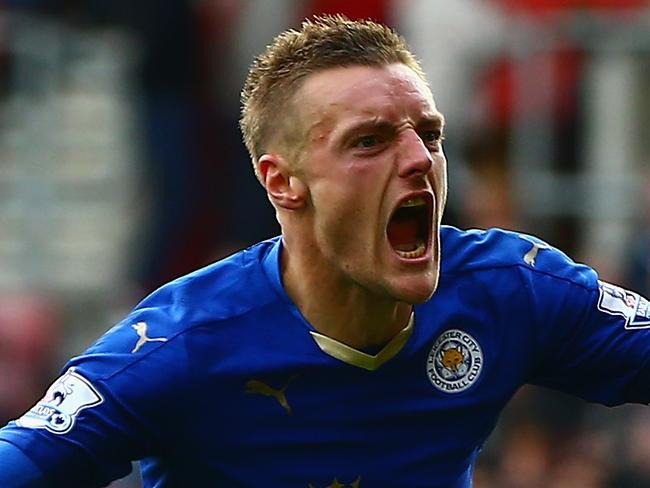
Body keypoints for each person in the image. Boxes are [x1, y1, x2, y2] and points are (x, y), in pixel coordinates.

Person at [0, 15, 648, 488]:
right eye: (370, 142)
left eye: (429, 135)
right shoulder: (181, 346)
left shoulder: (508, 289)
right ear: (282, 182)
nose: (421, 160)